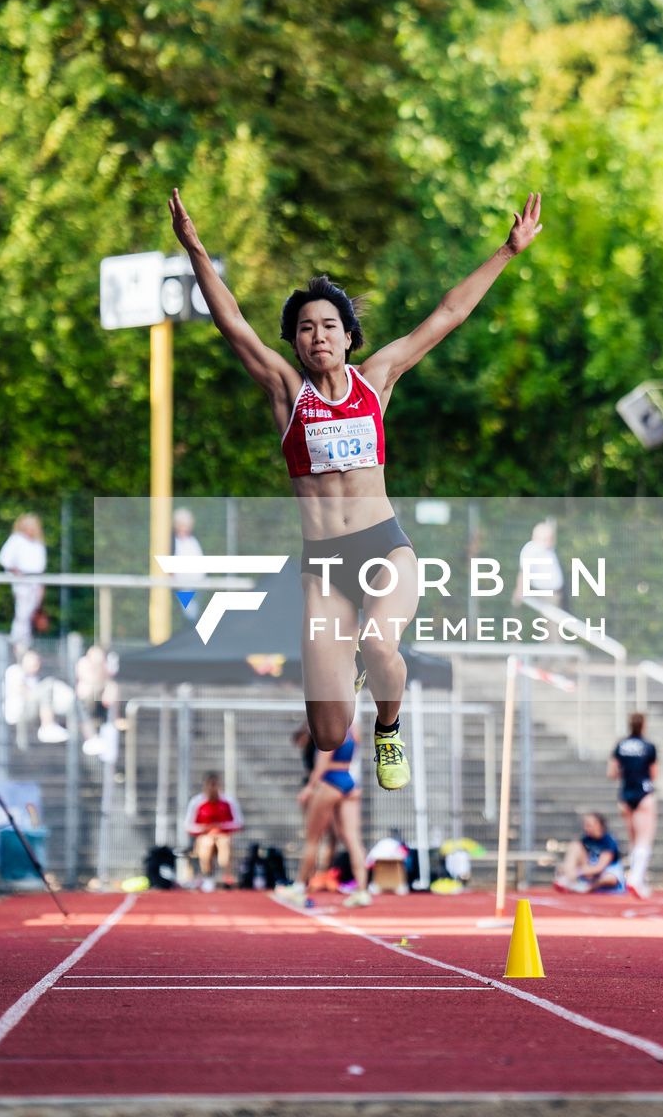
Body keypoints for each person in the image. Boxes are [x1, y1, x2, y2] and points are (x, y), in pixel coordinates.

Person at [168, 185, 543, 791]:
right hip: (324, 566)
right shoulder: (288, 392)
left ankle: (389, 728)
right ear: (295, 341)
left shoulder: (377, 380)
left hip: (383, 547)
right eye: (306, 329)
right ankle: (361, 684)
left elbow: (446, 316)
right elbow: (231, 322)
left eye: (329, 326)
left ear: (348, 337)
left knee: (378, 643)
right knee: (327, 732)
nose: (318, 336)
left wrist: (507, 250)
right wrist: (195, 249)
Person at [280, 722, 371, 906]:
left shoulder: (331, 726)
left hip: (330, 780)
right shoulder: (354, 729)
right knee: (353, 839)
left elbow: (323, 761)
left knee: (312, 838)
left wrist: (309, 787)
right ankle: (362, 891)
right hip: (347, 779)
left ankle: (298, 887)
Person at [607, 713, 657, 898]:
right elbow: (654, 773)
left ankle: (638, 879)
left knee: (633, 840)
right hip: (644, 793)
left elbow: (611, 772)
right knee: (645, 839)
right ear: (643, 725)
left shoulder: (621, 745)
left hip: (625, 793)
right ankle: (636, 878)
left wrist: (626, 772)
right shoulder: (649, 746)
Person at [0, 512, 47, 658]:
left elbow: (41, 569)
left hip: (35, 583)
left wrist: (41, 588)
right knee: (22, 614)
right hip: (23, 582)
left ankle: (24, 646)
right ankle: (18, 646)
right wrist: (17, 573)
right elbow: (5, 560)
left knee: (29, 614)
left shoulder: (38, 544)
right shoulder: (16, 540)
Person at [185, 772, 243, 891]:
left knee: (224, 842)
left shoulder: (228, 801)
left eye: (215, 785)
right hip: (204, 837)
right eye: (209, 785)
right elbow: (188, 825)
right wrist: (206, 829)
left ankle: (226, 875)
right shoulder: (197, 802)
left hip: (223, 836)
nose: (212, 788)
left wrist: (219, 828)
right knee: (207, 843)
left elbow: (239, 823)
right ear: (205, 786)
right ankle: (208, 876)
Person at [553, 812, 624, 893]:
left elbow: (600, 867)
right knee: (575, 845)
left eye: (588, 825)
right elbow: (580, 858)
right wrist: (569, 868)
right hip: (590, 871)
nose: (585, 828)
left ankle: (588, 886)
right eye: (585, 825)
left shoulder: (609, 841)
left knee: (610, 878)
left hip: (605, 872)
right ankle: (569, 880)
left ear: (598, 825)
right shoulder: (585, 840)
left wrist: (578, 872)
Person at [513, 519, 564, 610]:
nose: (549, 541)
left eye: (550, 538)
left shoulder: (548, 549)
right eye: (545, 538)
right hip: (545, 594)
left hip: (555, 593)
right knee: (551, 622)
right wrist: (520, 590)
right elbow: (524, 572)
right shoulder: (532, 549)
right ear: (535, 537)